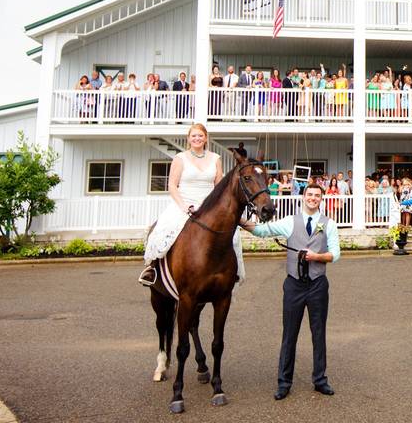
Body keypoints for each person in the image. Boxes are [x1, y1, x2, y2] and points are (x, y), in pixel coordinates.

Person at [241, 184, 340, 399]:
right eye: (310, 195)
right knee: (289, 335)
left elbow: (335, 254)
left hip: (317, 284)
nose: (313, 198)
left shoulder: (328, 224)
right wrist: (238, 220)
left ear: (321, 199)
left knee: (319, 333)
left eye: (317, 196)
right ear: (303, 197)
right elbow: (261, 231)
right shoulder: (289, 222)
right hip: (294, 285)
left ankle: (320, 380)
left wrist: (317, 257)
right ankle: (284, 383)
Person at [139, 123, 244, 284]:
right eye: (194, 135)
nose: (197, 138)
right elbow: (172, 185)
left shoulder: (216, 158)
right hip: (184, 203)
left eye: (200, 135)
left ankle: (231, 270)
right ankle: (152, 268)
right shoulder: (180, 158)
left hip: (209, 205)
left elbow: (219, 186)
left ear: (206, 138)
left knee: (232, 234)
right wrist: (182, 206)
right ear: (189, 139)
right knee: (163, 230)